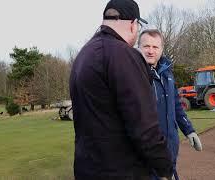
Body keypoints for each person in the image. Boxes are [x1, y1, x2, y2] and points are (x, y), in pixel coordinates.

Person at [69, 1, 173, 180]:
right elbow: (145, 127)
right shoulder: (125, 55)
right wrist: (165, 168)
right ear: (133, 24)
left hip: (87, 168)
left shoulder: (83, 55)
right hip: (122, 171)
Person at [138, 29, 203, 180]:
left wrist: (189, 130)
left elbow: (176, 105)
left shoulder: (167, 73)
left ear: (161, 49)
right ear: (139, 47)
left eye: (155, 47)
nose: (151, 51)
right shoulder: (135, 74)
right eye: (146, 46)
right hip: (148, 155)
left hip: (170, 150)